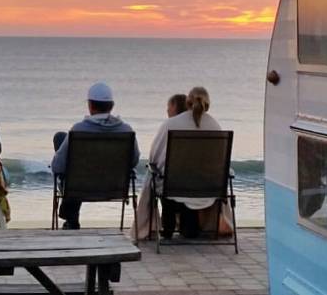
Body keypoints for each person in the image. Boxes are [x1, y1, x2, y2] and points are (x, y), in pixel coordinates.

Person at [51, 82, 140, 230]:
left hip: (79, 187)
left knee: (60, 138)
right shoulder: (126, 130)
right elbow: (134, 160)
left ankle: (71, 220)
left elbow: (57, 166)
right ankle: (71, 217)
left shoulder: (78, 130)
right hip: (115, 186)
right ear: (111, 106)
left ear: (90, 106)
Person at [148, 85, 225, 239]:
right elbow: (220, 160)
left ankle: (168, 226)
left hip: (173, 188)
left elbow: (154, 158)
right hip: (208, 188)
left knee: (164, 178)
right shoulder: (215, 126)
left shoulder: (171, 124)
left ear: (187, 102)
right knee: (191, 179)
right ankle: (190, 226)